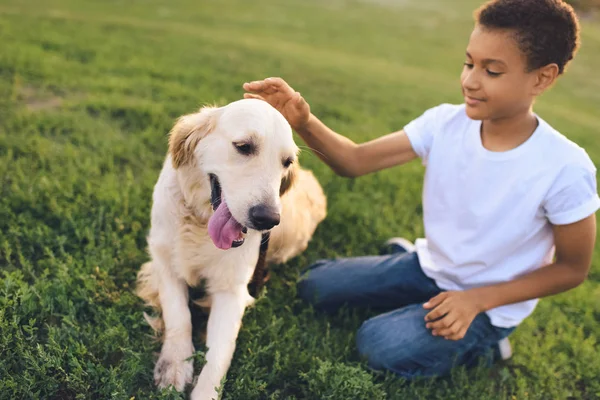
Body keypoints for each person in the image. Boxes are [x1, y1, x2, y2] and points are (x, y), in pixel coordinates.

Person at [242, 0, 599, 379]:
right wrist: (304, 120)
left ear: (542, 78)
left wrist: (477, 300)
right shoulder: (445, 123)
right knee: (314, 286)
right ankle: (411, 270)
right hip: (431, 267)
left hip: (489, 303)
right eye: (469, 63)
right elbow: (355, 161)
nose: (470, 81)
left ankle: (489, 343)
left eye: (492, 71)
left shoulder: (565, 167)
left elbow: (572, 269)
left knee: (378, 343)